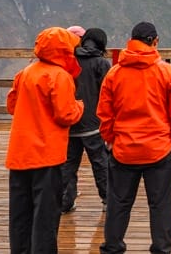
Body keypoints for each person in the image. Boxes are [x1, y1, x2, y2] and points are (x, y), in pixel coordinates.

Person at [97, 22, 171, 254]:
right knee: (160, 205)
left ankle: (113, 247)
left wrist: (110, 139)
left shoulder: (114, 73)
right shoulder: (167, 72)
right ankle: (161, 248)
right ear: (155, 41)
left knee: (119, 204)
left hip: (124, 150)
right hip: (160, 150)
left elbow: (105, 114)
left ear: (131, 40)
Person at [6, 26, 84, 254]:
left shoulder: (26, 72)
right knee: (46, 215)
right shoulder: (60, 76)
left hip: (20, 154)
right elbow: (66, 115)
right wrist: (80, 106)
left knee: (20, 213)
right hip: (47, 155)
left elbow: (12, 106)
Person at [61, 27, 111, 213]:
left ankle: (66, 202)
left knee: (68, 164)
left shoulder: (68, 60)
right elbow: (108, 94)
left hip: (70, 120)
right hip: (93, 123)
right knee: (100, 162)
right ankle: (107, 200)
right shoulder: (101, 63)